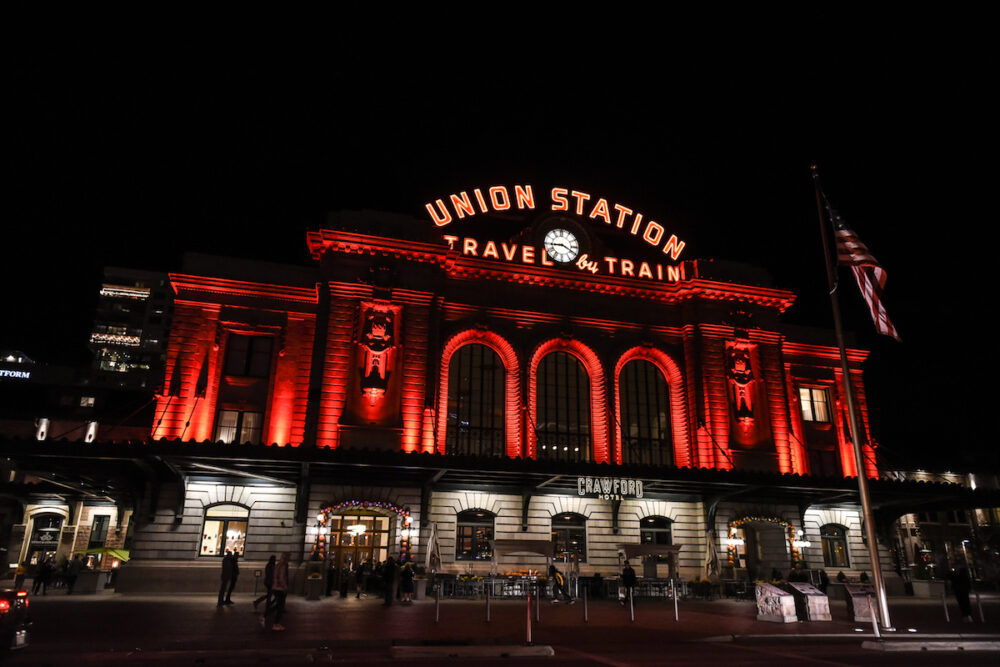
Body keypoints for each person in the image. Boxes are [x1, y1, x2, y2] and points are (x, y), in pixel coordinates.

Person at [267, 552, 290, 631]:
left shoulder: (278, 565)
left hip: (276, 587)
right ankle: (275, 623)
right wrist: (285, 587)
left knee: (278, 605)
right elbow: (281, 578)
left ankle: (267, 616)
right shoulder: (283, 566)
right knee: (280, 606)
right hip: (279, 588)